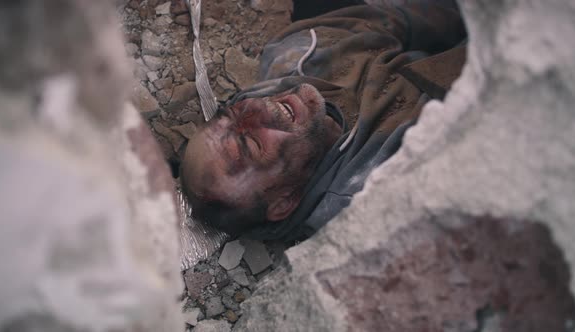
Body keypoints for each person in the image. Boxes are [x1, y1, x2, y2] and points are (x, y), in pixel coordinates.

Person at [181, 1, 466, 241]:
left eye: (231, 113)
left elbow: (410, 15)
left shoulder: (300, 54)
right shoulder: (393, 185)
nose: (258, 106)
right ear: (285, 201)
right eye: (254, 144)